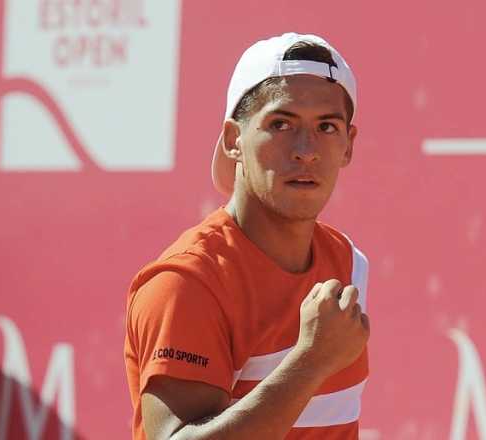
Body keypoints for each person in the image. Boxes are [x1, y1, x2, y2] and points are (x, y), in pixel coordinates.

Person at [125, 33, 371, 439]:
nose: (306, 150)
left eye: (327, 126)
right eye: (281, 124)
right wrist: (310, 361)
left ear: (348, 146)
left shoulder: (347, 261)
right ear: (233, 140)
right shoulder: (186, 281)